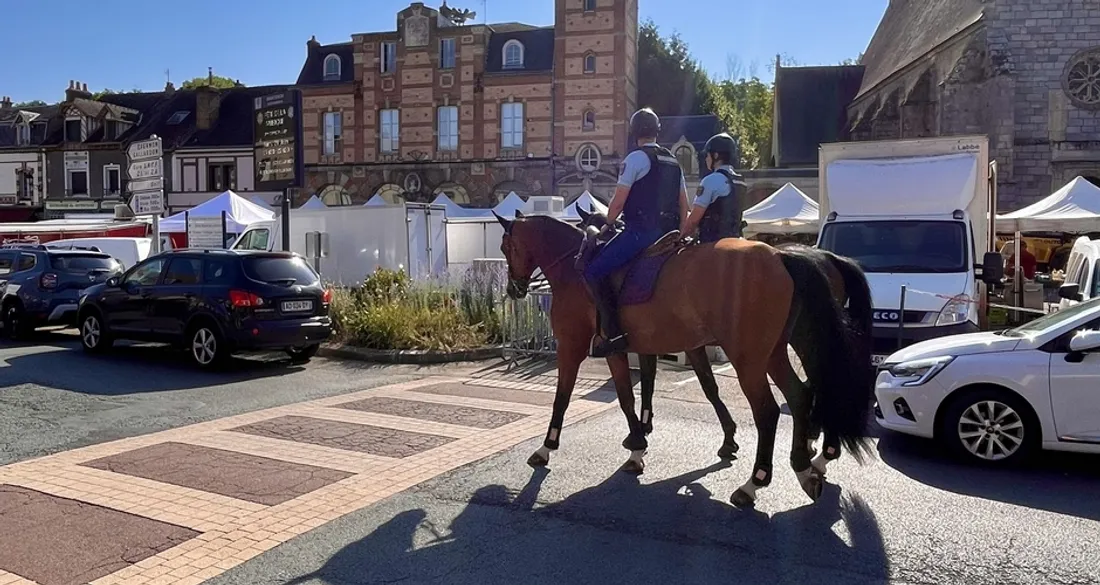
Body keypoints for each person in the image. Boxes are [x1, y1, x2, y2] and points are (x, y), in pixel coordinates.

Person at [582, 107, 690, 357]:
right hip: (670, 234)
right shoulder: (674, 161)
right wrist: (680, 233)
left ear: (634, 133)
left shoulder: (635, 159)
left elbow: (618, 204)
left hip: (642, 232)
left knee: (594, 271)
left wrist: (608, 223)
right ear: (657, 131)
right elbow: (684, 205)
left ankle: (614, 333)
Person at [680, 132, 748, 242]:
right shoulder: (741, 182)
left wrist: (680, 237)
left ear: (715, 156)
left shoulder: (710, 180)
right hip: (736, 237)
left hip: (712, 241)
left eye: (707, 155)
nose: (706, 159)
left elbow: (693, 220)